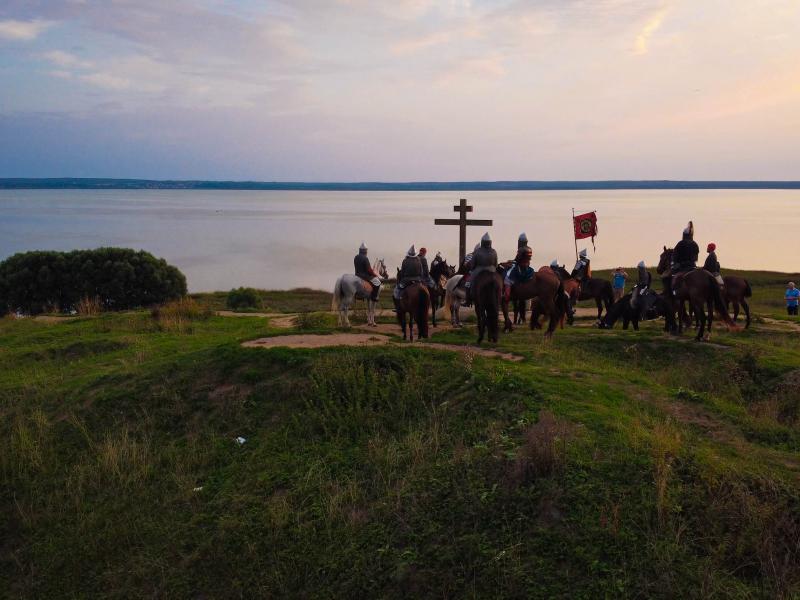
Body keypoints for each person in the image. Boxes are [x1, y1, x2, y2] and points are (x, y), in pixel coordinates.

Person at [466, 232, 498, 299]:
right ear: (490, 242)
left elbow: (473, 265)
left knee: (468, 282)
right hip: (492, 270)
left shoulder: (477, 251)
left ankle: (468, 298)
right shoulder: (494, 251)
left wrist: (472, 268)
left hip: (478, 271)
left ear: (482, 242)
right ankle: (501, 295)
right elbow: (496, 264)